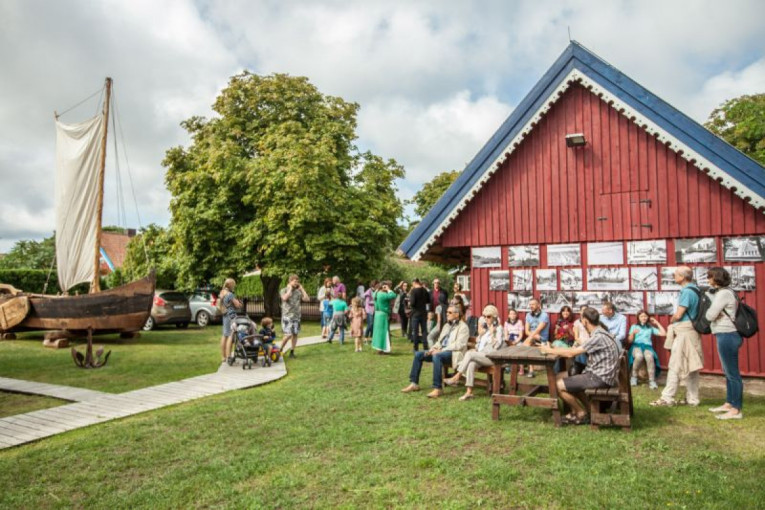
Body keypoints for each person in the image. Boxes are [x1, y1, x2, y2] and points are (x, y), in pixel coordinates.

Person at [540, 307, 621, 425]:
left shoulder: (597, 337)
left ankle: (580, 412)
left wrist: (549, 350)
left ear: (585, 321)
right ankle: (588, 411)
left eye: (582, 319)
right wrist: (554, 348)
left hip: (599, 377)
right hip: (602, 375)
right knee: (563, 378)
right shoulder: (600, 333)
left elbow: (571, 353)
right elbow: (574, 349)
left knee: (557, 385)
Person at [650, 266, 703, 407]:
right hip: (693, 330)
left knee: (675, 364)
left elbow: (679, 314)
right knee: (692, 364)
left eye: (676, 274)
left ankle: (667, 397)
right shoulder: (696, 289)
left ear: (683, 277)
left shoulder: (686, 291)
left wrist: (672, 319)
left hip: (684, 330)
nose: (674, 276)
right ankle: (693, 399)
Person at [401, 305, 469, 398]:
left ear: (457, 315)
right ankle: (414, 384)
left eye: (450, 312)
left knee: (437, 356)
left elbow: (459, 345)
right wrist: (432, 349)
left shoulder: (463, 327)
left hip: (454, 354)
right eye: (447, 312)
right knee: (419, 354)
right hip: (442, 351)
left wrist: (441, 350)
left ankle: (438, 388)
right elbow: (439, 341)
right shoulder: (446, 325)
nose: (447, 314)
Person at [705, 267, 744, 420]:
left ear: (717, 278)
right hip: (726, 334)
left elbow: (709, 315)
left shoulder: (723, 294)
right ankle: (729, 403)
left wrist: (714, 312)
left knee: (733, 374)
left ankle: (736, 409)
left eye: (710, 277)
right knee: (728, 372)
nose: (708, 280)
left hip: (727, 334)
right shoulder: (727, 292)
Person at [444, 305, 504, 400]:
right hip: (482, 355)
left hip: (492, 357)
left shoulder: (499, 329)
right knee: (471, 363)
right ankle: (469, 392)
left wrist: (493, 333)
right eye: (484, 316)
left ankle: (456, 377)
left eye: (488, 316)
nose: (486, 318)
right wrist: (481, 337)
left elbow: (496, 346)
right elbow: (478, 344)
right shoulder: (486, 329)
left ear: (494, 317)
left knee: (469, 354)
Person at [627, 310, 665, 389]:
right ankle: (634, 377)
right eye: (641, 316)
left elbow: (664, 333)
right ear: (638, 317)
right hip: (636, 346)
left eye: (645, 316)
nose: (643, 318)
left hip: (647, 347)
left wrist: (657, 323)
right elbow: (629, 341)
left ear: (648, 317)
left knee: (649, 357)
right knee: (639, 356)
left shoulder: (650, 327)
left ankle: (652, 381)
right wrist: (633, 333)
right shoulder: (634, 326)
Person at [278, 275, 310, 358]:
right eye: (295, 281)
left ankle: (292, 352)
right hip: (287, 316)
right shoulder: (283, 290)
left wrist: (302, 289)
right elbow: (284, 298)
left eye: (297, 281)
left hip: (296, 316)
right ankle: (280, 349)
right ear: (290, 281)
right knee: (288, 335)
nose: (296, 283)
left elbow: (307, 299)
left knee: (295, 334)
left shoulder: (298, 292)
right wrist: (290, 289)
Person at [523, 298, 550, 377]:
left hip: (542, 338)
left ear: (538, 305)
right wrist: (532, 337)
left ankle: (530, 370)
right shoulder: (528, 315)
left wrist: (531, 337)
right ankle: (531, 370)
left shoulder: (544, 315)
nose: (531, 306)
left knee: (526, 344)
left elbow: (538, 329)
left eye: (533, 304)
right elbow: (526, 331)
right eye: (530, 304)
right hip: (533, 337)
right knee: (526, 346)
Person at [219, 278, 242, 363]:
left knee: (224, 335)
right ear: (231, 285)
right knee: (230, 335)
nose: (234, 287)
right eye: (234, 285)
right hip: (231, 316)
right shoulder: (230, 294)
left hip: (225, 315)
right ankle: (229, 356)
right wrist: (239, 304)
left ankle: (223, 357)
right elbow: (237, 305)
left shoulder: (222, 293)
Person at [371, 281, 397, 354]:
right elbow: (393, 295)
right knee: (384, 332)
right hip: (383, 314)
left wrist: (379, 288)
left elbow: (374, 293)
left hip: (377, 314)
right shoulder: (382, 295)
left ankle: (378, 348)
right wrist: (388, 289)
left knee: (377, 332)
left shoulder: (376, 294)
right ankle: (384, 349)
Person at [551, 305, 576, 375]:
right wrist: (556, 329)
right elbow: (555, 336)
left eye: (567, 311)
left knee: (556, 347)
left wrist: (569, 329)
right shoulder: (559, 321)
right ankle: (556, 371)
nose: (565, 312)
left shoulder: (573, 322)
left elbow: (574, 336)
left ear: (570, 313)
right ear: (561, 312)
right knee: (557, 346)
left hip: (569, 343)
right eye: (563, 311)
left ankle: (555, 373)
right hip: (560, 342)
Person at [408, 278, 430, 351]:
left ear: (414, 283)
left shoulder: (414, 291)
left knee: (415, 331)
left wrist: (410, 304)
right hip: (423, 313)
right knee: (424, 331)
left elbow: (412, 303)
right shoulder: (424, 290)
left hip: (415, 313)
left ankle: (416, 348)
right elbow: (428, 300)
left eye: (412, 284)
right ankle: (425, 347)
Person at [570, 305, 590, 375]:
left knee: (584, 350)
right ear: (580, 311)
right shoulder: (577, 322)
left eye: (586, 310)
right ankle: (578, 368)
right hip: (579, 341)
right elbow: (576, 337)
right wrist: (581, 343)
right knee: (578, 350)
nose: (584, 312)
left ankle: (584, 369)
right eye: (583, 310)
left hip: (589, 341)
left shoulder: (590, 322)